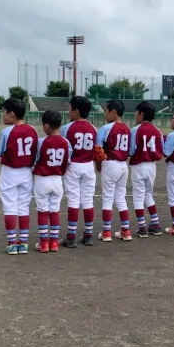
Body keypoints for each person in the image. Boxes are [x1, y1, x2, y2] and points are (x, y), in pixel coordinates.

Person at [0, 98, 39, 255]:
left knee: (9, 206)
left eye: (4, 112)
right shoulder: (33, 130)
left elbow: (0, 152)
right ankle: (24, 242)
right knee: (23, 206)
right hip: (27, 172)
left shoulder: (6, 132)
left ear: (12, 114)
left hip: (10, 172)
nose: (2, 115)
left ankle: (12, 242)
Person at [60, 96, 98, 248]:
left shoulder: (67, 128)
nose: (68, 111)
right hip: (89, 166)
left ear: (75, 111)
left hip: (73, 165)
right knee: (88, 200)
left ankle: (71, 237)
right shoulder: (93, 128)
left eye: (70, 108)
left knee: (73, 200)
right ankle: (88, 235)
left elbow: (63, 148)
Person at [33, 110, 72, 253]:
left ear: (47, 126)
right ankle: (54, 242)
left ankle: (44, 243)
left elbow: (35, 160)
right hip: (57, 180)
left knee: (43, 211)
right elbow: (67, 163)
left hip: (42, 179)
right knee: (54, 211)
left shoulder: (41, 142)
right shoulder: (66, 142)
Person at [96, 99, 132, 241]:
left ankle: (106, 232)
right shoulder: (127, 128)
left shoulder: (106, 128)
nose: (105, 114)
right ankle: (126, 230)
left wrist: (98, 164)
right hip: (123, 165)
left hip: (110, 163)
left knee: (107, 198)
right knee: (121, 197)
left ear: (113, 112)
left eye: (106, 111)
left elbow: (98, 149)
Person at [129, 101, 164, 238]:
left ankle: (142, 227)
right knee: (148, 194)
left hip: (139, 165)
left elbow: (131, 150)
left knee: (138, 196)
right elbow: (160, 150)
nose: (135, 116)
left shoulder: (136, 130)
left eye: (136, 113)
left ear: (141, 114)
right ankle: (155, 224)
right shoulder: (158, 131)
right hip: (151, 165)